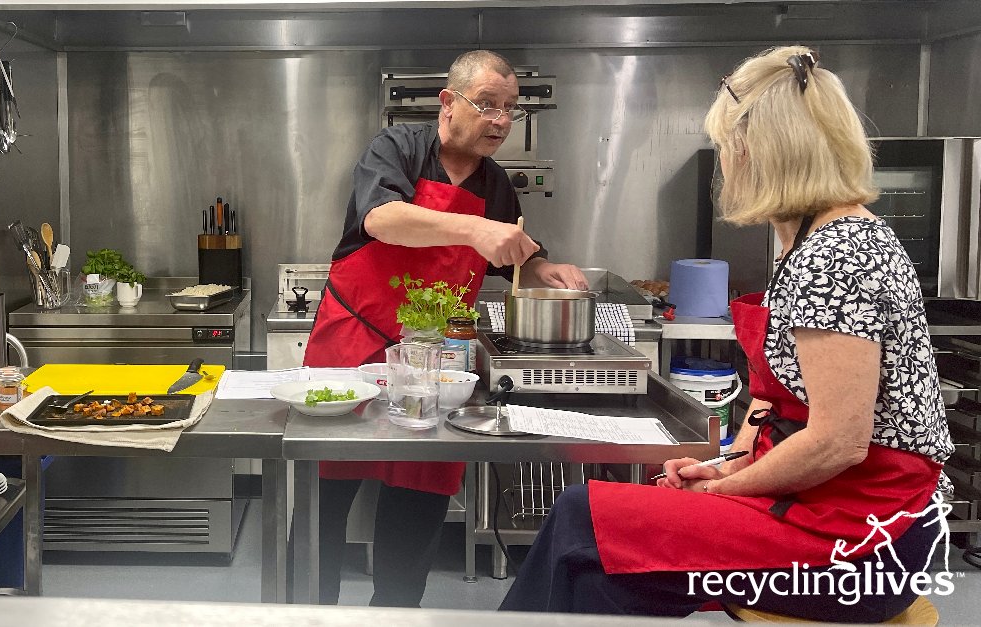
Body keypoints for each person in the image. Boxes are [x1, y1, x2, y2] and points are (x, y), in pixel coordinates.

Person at [500, 46, 954, 622]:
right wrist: (726, 466)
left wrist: (721, 492)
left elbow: (840, 441)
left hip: (860, 540)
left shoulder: (839, 255)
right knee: (603, 566)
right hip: (825, 506)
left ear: (759, 152)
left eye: (728, 147)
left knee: (581, 515)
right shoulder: (814, 239)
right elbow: (776, 400)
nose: (726, 165)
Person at [302, 50, 588, 607]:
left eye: (510, 110)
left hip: (434, 362)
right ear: (448, 103)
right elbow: (381, 219)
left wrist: (540, 268)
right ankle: (308, 612)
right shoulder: (398, 149)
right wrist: (476, 228)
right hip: (353, 345)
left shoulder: (498, 185)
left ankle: (395, 614)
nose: (501, 121)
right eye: (487, 105)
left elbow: (512, 256)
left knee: (417, 499)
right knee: (323, 501)